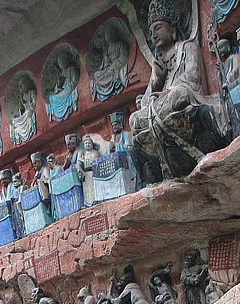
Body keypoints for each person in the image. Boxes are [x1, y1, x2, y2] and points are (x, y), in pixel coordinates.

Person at [129, 0, 230, 179]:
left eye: (158, 28)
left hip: (181, 99)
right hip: (161, 109)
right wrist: (157, 81)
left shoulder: (188, 48)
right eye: (151, 32)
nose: (154, 35)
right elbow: (145, 102)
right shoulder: (158, 63)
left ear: (172, 29)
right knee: (134, 119)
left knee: (179, 94)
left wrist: (167, 92)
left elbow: (193, 77)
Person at [91, 25, 129, 101]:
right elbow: (104, 64)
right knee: (96, 75)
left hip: (116, 66)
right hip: (108, 68)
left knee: (112, 72)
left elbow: (123, 58)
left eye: (110, 34)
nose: (108, 36)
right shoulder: (107, 49)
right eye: (106, 35)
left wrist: (113, 66)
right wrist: (106, 61)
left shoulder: (120, 44)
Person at [10, 75, 37, 144]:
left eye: (24, 84)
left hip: (30, 111)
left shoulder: (31, 92)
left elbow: (34, 104)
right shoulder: (23, 96)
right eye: (21, 86)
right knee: (14, 120)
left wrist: (27, 104)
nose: (23, 86)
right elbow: (21, 111)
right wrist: (22, 105)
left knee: (28, 112)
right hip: (25, 114)